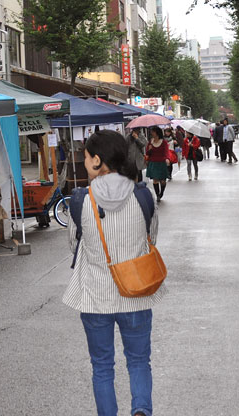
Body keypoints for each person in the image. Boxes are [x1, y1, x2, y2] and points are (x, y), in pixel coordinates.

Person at [63, 130, 166, 416]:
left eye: (85, 157)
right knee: (138, 361)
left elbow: (74, 242)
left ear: (97, 160)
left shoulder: (80, 199)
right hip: (136, 294)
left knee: (102, 367)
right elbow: (152, 238)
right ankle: (141, 410)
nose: (83, 162)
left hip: (96, 297)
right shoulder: (143, 195)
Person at [144, 126, 170, 203]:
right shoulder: (150, 142)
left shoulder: (164, 142)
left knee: (163, 181)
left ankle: (161, 192)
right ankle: (157, 195)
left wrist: (167, 158)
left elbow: (166, 151)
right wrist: (149, 149)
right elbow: (147, 153)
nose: (152, 133)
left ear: (157, 132)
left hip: (162, 162)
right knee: (155, 180)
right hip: (153, 162)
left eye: (153, 131)